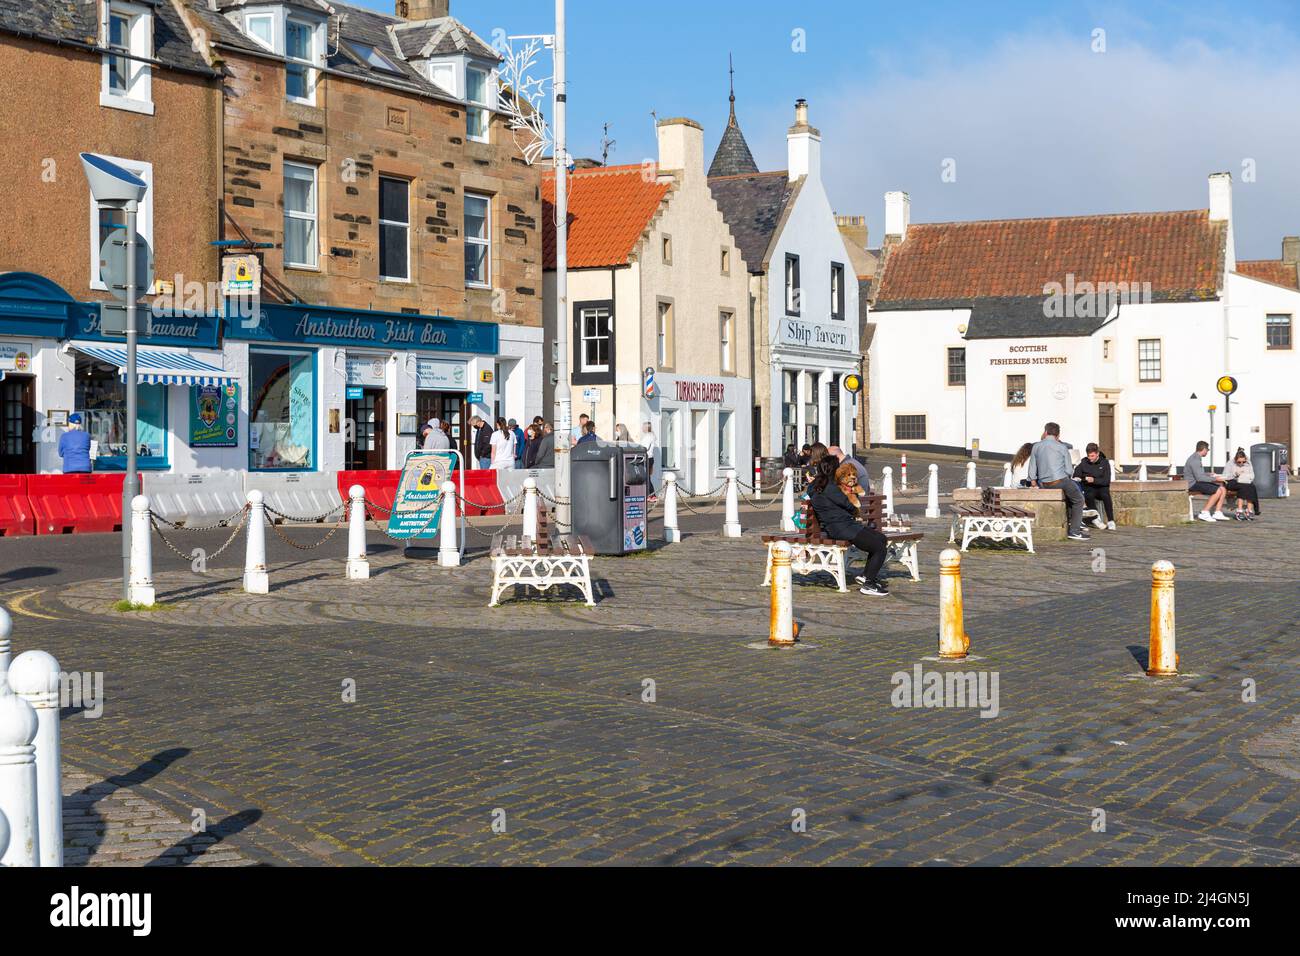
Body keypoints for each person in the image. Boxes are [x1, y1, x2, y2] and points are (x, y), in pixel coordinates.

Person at [808, 457, 889, 597]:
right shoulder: (831, 487)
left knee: (881, 538)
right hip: (842, 528)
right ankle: (869, 584)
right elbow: (850, 507)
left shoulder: (815, 485)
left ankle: (866, 576)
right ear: (834, 469)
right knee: (879, 547)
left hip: (841, 526)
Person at [1028, 422, 1088, 540]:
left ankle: (1072, 524)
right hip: (1060, 481)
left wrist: (1033, 481)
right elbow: (1069, 470)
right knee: (1079, 499)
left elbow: (1032, 469)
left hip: (1043, 484)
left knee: (1071, 494)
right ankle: (1075, 531)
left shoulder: (1036, 446)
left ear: (1045, 432)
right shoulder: (1062, 447)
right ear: (1058, 434)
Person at [1073, 442, 1115, 531]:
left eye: (1092, 456)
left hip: (1102, 487)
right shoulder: (1084, 462)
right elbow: (1077, 475)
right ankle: (1095, 518)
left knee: (1105, 495)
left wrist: (1094, 480)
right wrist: (1085, 479)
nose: (1090, 458)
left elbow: (1106, 481)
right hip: (1089, 487)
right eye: (1089, 456)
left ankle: (1111, 520)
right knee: (1089, 495)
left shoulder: (1105, 463)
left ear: (1097, 454)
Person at [1185, 440, 1229, 522]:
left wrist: (1208, 474)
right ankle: (1204, 512)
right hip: (1192, 484)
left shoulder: (1196, 458)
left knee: (1223, 489)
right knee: (1218, 490)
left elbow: (1198, 473)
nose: (1207, 452)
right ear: (1204, 449)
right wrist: (1216, 479)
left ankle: (1217, 512)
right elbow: (1199, 478)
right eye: (1207, 450)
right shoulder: (1195, 460)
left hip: (1195, 482)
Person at [1224, 448, 1260, 520]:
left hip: (1244, 481)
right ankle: (1239, 510)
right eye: (1239, 462)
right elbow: (1225, 476)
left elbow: (1252, 475)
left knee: (1251, 487)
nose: (1241, 464)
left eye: (1243, 462)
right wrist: (1236, 475)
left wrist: (1245, 476)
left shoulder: (1248, 463)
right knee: (1243, 487)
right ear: (1235, 460)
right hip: (1231, 481)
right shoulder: (1230, 463)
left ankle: (1249, 510)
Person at [640, 422, 658, 495]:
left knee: (646, 478)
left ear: (646, 428)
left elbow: (645, 448)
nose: (642, 428)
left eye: (643, 427)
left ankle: (652, 495)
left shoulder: (648, 436)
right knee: (647, 478)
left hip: (647, 458)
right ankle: (650, 495)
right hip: (650, 458)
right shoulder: (650, 435)